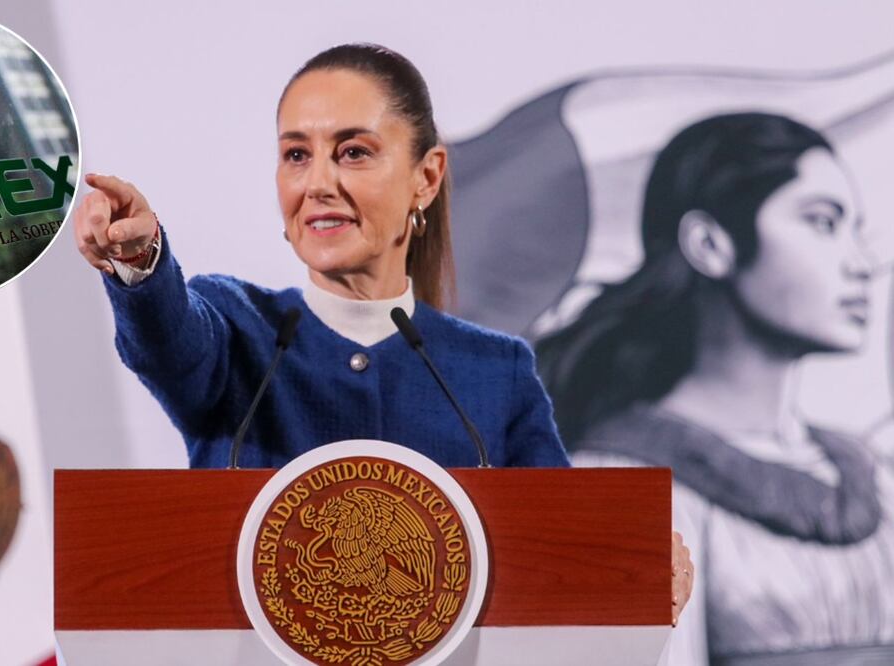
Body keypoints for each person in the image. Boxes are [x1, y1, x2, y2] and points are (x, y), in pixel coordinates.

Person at [73, 43, 693, 624]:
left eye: (353, 152)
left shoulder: (495, 372)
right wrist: (140, 260)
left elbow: (567, 557)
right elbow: (168, 338)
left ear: (426, 177)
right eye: (297, 155)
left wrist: (636, 568)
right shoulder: (236, 329)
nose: (318, 183)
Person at [537, 112, 893, 664]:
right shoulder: (609, 491)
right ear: (709, 244)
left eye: (856, 231)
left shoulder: (876, 476)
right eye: (822, 223)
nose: (863, 264)